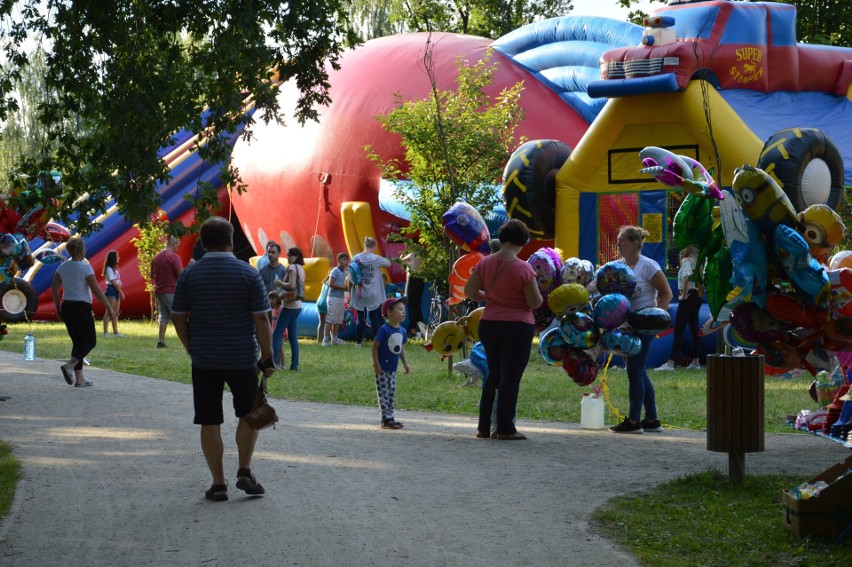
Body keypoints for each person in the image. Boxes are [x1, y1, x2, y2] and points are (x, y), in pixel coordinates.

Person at [171, 216, 275, 502]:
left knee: (209, 421)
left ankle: (218, 484)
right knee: (249, 415)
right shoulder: (249, 274)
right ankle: (244, 470)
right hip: (242, 357)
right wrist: (267, 356)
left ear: (203, 243)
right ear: (231, 241)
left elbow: (177, 316)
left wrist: (190, 345)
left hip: (204, 360)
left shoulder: (190, 275)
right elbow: (261, 319)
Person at [464, 219, 542, 440]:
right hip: (517, 326)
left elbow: (470, 291)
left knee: (493, 375)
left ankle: (483, 427)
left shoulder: (485, 263)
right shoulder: (524, 268)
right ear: (522, 240)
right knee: (511, 376)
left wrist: (491, 298)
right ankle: (506, 428)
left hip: (490, 323)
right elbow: (534, 302)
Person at [610, 225, 673, 434]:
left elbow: (666, 293)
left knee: (635, 371)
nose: (618, 244)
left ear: (635, 244)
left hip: (643, 327)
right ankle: (652, 420)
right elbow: (598, 284)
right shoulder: (619, 266)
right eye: (618, 240)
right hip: (626, 326)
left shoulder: (648, 266)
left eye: (622, 240)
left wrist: (656, 318)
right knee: (638, 372)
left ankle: (635, 421)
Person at [51, 237, 116, 387]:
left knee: (78, 343)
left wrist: (58, 309)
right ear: (82, 250)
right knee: (90, 341)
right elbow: (97, 290)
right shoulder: (85, 267)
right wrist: (110, 308)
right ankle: (70, 365)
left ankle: (79, 379)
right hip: (82, 308)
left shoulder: (62, 267)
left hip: (67, 307)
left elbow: (54, 289)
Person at [656, 245, 701, 371]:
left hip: (688, 297)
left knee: (679, 330)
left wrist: (684, 294)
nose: (681, 251)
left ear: (690, 248)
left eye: (683, 248)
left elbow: (686, 277)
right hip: (697, 296)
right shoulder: (697, 262)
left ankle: (671, 363)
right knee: (694, 330)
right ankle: (696, 361)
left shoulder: (686, 261)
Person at [372, 296, 410, 429]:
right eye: (400, 309)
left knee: (391, 392)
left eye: (404, 310)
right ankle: (385, 419)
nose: (403, 312)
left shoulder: (402, 331)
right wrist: (376, 363)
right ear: (389, 312)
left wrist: (405, 363)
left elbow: (400, 348)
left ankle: (391, 417)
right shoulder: (384, 330)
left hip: (393, 369)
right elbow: (375, 346)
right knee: (384, 393)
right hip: (382, 369)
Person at [349, 236, 391, 347]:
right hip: (374, 293)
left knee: (360, 317)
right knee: (374, 318)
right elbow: (388, 264)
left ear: (365, 245)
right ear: (373, 246)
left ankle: (358, 342)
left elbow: (351, 273)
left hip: (360, 292)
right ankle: (377, 342)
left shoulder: (356, 257)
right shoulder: (376, 258)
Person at [272, 247, 305, 370]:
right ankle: (294, 365)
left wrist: (280, 283)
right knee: (292, 337)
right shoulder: (301, 268)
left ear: (296, 256)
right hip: (298, 305)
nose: (288, 257)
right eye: (287, 255)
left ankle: (273, 363)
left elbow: (291, 285)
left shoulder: (292, 268)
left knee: (276, 334)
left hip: (290, 305)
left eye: (290, 255)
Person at [151, 236, 184, 348]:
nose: (178, 249)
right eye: (177, 246)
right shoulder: (174, 257)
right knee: (178, 315)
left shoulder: (155, 257)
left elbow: (152, 275)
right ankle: (186, 341)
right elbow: (181, 274)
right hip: (170, 290)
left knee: (163, 315)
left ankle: (161, 341)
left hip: (159, 290)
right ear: (173, 244)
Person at [324, 252, 349, 346]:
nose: (346, 262)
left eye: (346, 260)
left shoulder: (346, 272)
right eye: (343, 259)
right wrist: (343, 288)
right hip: (333, 297)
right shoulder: (335, 270)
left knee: (338, 320)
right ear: (338, 261)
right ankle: (325, 340)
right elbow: (331, 284)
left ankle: (334, 338)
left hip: (341, 298)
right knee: (331, 319)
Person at [101, 250, 125, 337]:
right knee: (109, 312)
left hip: (116, 290)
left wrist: (119, 287)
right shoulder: (109, 269)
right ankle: (106, 332)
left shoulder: (115, 269)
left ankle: (116, 332)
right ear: (113, 258)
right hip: (111, 290)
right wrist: (121, 292)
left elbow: (118, 280)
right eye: (117, 256)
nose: (119, 258)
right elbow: (113, 282)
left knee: (116, 312)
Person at [268, 291, 286, 366]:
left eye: (273, 298)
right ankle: (277, 364)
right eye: (270, 299)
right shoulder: (273, 310)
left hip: (281, 332)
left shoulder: (281, 309)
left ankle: (283, 365)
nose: (271, 300)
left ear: (278, 299)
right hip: (274, 332)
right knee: (275, 348)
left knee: (280, 348)